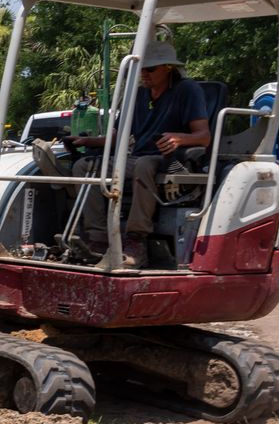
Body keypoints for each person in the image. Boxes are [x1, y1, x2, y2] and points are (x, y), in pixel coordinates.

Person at [75, 40, 210, 267]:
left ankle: (136, 240)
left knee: (144, 164)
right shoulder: (138, 95)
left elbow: (204, 136)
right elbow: (117, 137)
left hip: (173, 160)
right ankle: (97, 239)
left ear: (168, 68)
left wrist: (180, 138)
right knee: (84, 166)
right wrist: (86, 141)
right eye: (141, 70)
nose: (144, 74)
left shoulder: (187, 90)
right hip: (138, 158)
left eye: (150, 69)